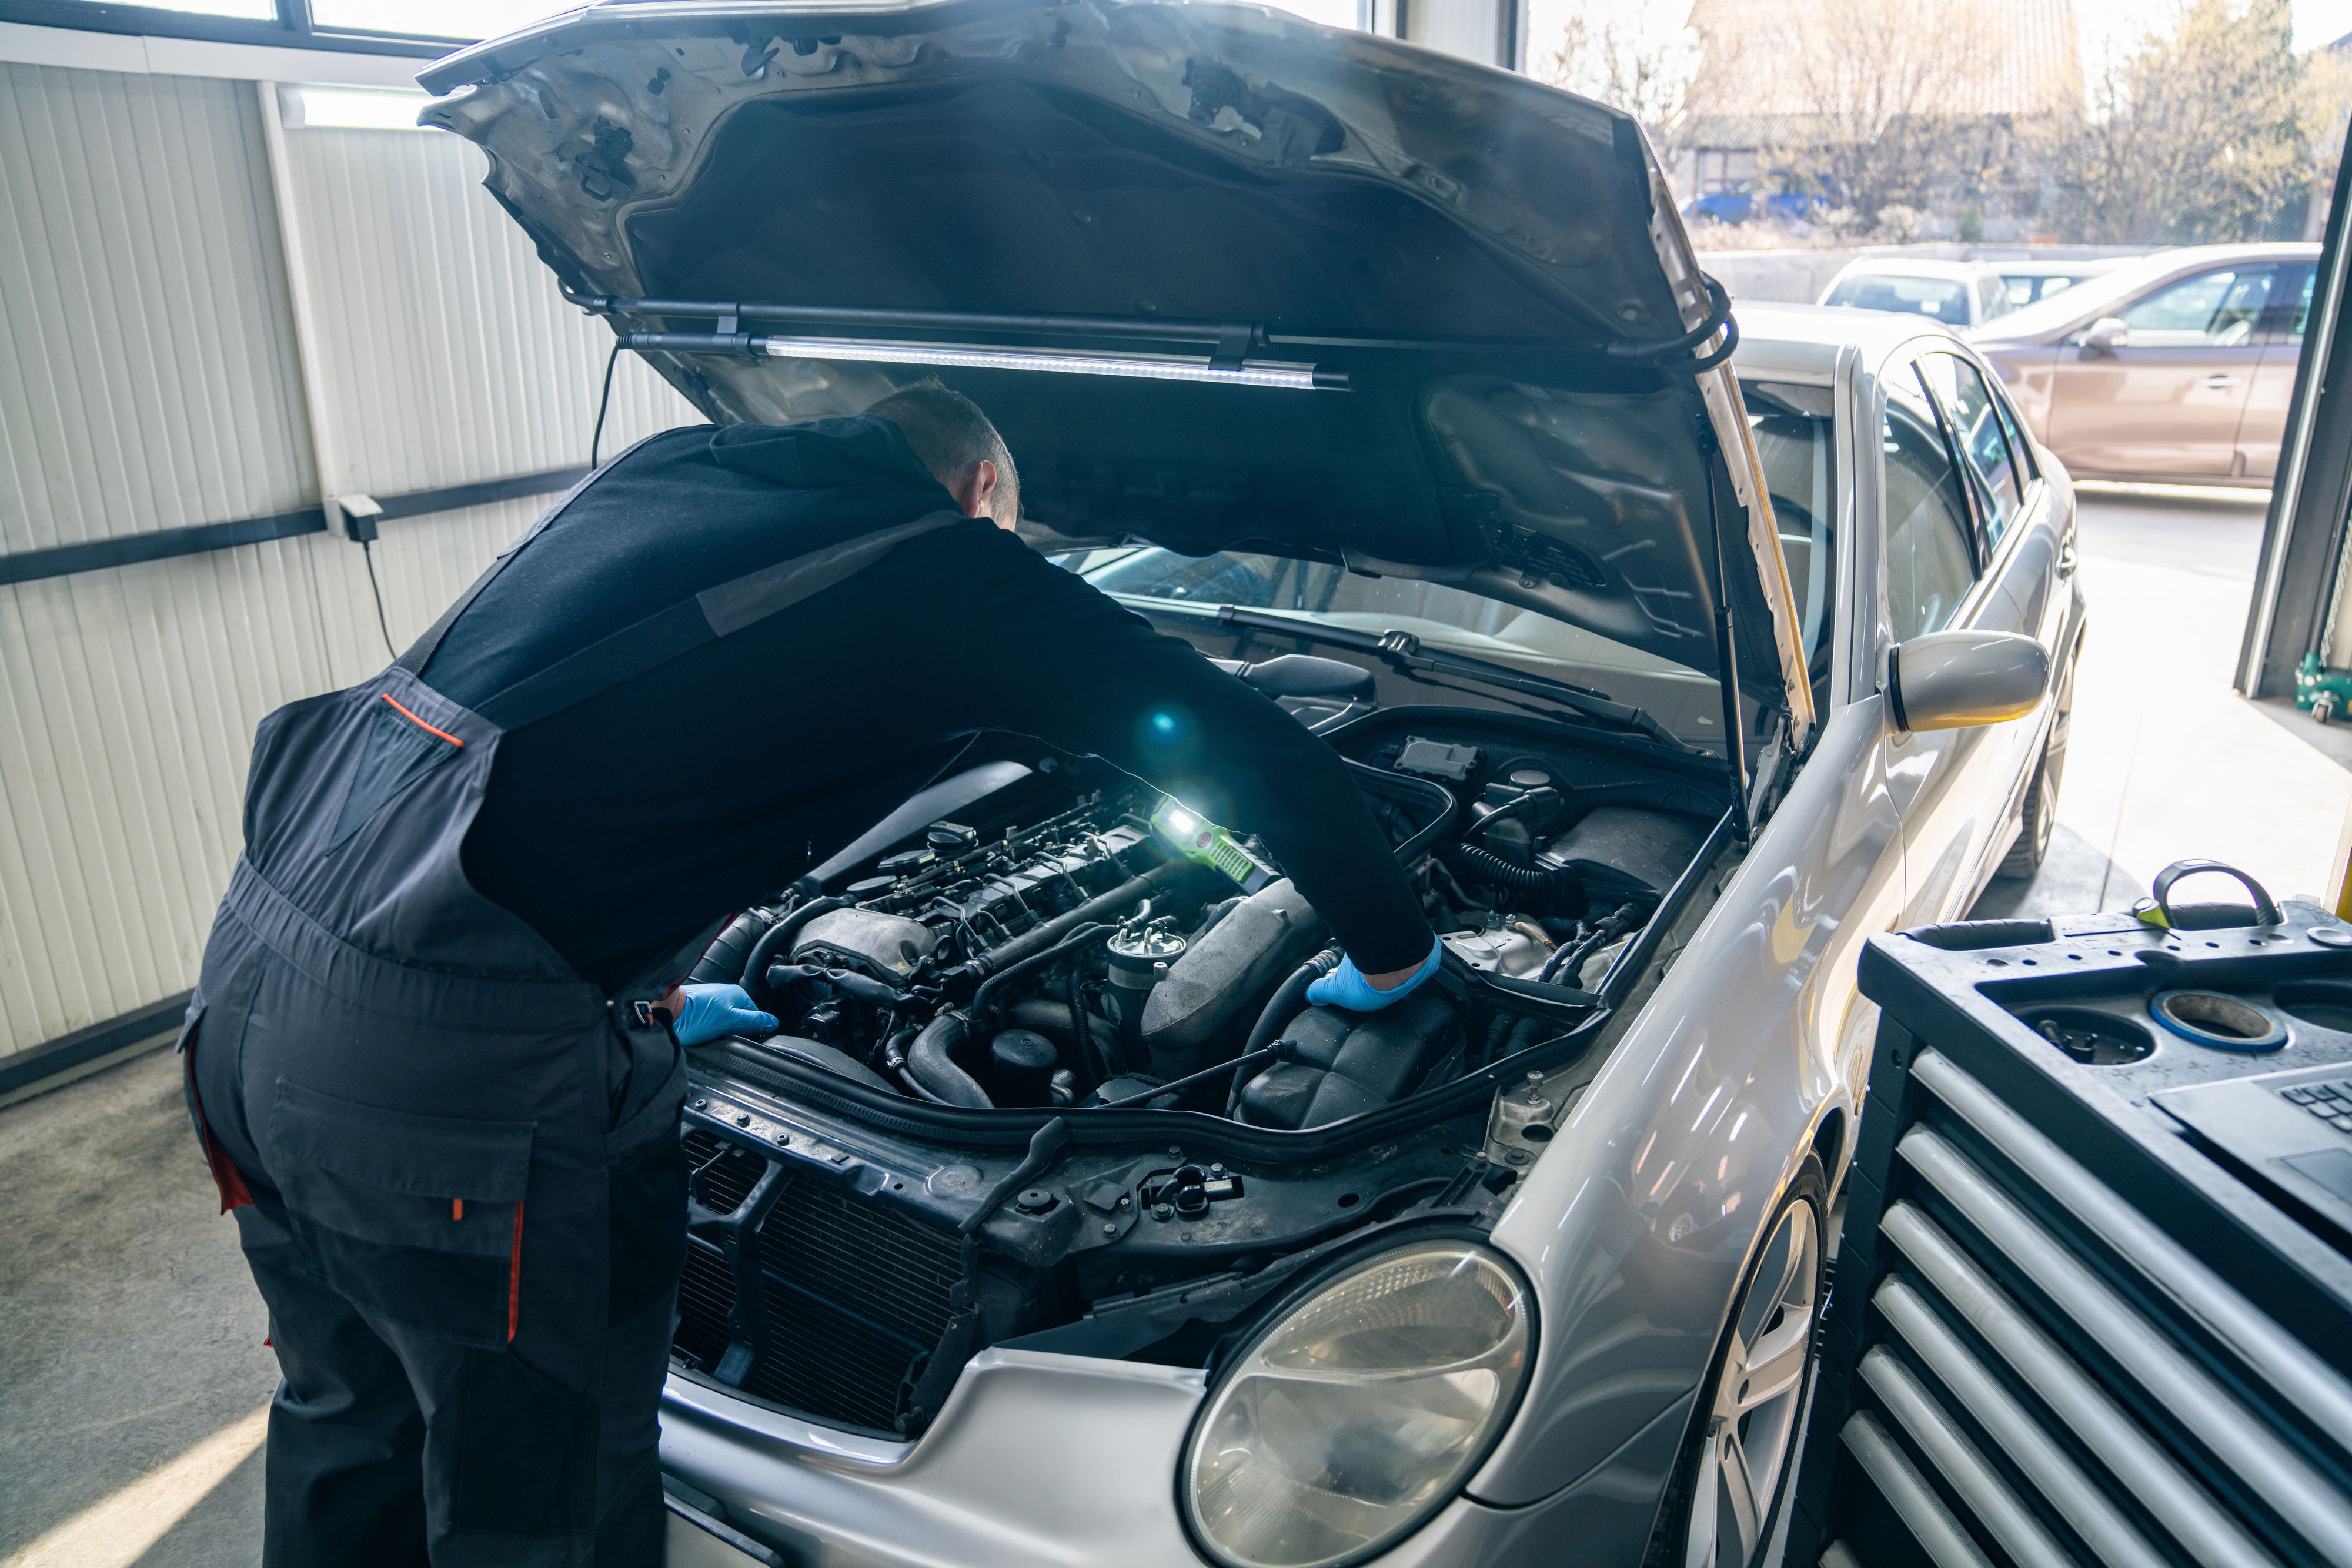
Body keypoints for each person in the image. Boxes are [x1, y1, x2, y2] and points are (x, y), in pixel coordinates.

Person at [181, 380, 1439, 1566]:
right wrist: (1393, 951)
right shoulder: (949, 569)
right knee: (539, 1498)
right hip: (443, 1078)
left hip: (249, 977)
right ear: (981, 488)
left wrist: (646, 991)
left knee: (351, 1418)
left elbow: (608, 749)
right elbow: (1252, 748)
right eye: (1007, 526)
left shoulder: (681, 467)